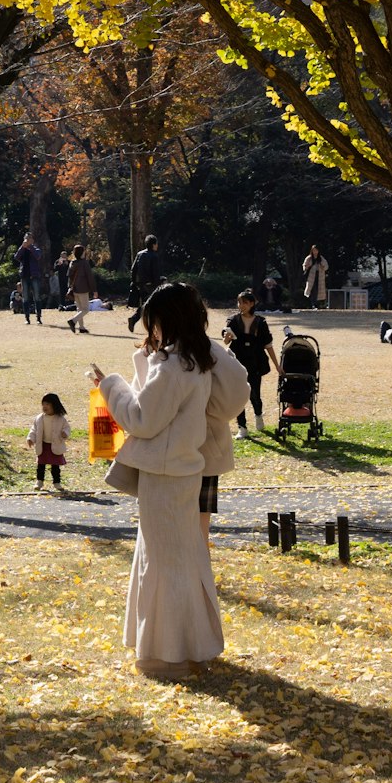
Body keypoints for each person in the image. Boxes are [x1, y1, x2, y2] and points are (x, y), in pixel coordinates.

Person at [89, 282, 223, 680]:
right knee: (179, 558)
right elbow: (156, 409)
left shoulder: (173, 367)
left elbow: (142, 420)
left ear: (167, 321)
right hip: (183, 471)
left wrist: (108, 385)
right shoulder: (196, 362)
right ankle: (186, 647)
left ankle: (169, 654)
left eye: (155, 324)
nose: (153, 333)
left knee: (164, 564)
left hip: (165, 477)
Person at [198, 319, 250, 543]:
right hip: (209, 446)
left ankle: (199, 576)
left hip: (199, 448)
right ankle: (201, 575)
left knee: (195, 528)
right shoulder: (212, 350)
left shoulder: (202, 351)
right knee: (199, 527)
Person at [223, 290, 279, 434]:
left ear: (252, 303)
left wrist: (277, 366)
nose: (241, 305)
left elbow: (268, 346)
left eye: (244, 302)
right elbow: (225, 341)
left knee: (255, 393)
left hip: (255, 361)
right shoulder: (233, 320)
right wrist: (227, 336)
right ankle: (242, 427)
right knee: (237, 395)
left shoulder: (261, 322)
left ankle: (258, 416)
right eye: (239, 302)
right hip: (237, 362)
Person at [28, 392, 71, 487]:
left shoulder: (61, 419)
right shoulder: (39, 418)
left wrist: (65, 433)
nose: (44, 407)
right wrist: (30, 438)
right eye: (43, 404)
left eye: (47, 404)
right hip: (43, 445)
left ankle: (57, 482)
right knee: (41, 464)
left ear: (54, 405)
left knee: (55, 466)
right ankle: (39, 481)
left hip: (55, 444)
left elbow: (67, 428)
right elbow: (34, 429)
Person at [127, 235, 163, 331]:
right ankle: (152, 326)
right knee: (151, 306)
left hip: (140, 284)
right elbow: (155, 272)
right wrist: (158, 283)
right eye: (156, 244)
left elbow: (133, 269)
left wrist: (134, 282)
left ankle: (135, 320)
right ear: (153, 244)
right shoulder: (154, 256)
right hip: (151, 285)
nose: (157, 246)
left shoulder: (140, 254)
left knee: (146, 305)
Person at [66, 244, 96, 332]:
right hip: (83, 288)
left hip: (74, 289)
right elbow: (89, 277)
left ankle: (81, 327)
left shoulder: (72, 262)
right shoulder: (84, 263)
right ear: (82, 252)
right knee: (85, 309)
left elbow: (69, 276)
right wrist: (94, 290)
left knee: (79, 309)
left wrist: (70, 287)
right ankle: (73, 321)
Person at [15, 234, 44, 325]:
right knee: (26, 297)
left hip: (34, 276)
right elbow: (16, 257)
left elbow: (38, 256)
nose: (27, 240)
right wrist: (22, 247)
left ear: (32, 240)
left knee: (37, 297)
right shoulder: (22, 250)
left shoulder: (36, 249)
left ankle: (38, 317)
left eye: (29, 239)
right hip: (24, 276)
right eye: (26, 239)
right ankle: (27, 318)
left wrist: (30, 246)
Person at [301, 244, 328, 309]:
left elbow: (326, 267)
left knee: (318, 290)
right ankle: (313, 304)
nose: (315, 252)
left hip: (319, 276)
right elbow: (304, 266)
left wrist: (322, 265)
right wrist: (308, 266)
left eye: (316, 250)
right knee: (312, 290)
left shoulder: (321, 258)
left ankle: (316, 304)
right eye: (313, 250)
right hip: (311, 276)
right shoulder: (309, 258)